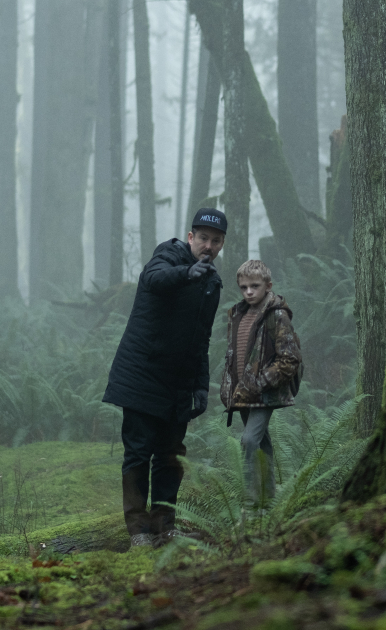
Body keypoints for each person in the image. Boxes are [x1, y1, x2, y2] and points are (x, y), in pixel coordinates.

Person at [103, 208, 227, 547]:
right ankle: (138, 530)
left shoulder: (212, 284)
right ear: (190, 238)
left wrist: (201, 385)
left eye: (215, 241)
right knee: (139, 451)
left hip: (178, 382)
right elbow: (156, 280)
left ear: (221, 245)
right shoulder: (167, 256)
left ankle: (164, 525)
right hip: (141, 373)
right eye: (202, 238)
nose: (208, 246)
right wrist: (188, 272)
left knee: (171, 453)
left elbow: (201, 338)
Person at [219, 260, 302, 506]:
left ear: (268, 285)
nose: (249, 292)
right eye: (243, 287)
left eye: (254, 286)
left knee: (248, 441)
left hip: (264, 391)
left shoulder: (277, 314)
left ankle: (250, 504)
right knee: (262, 443)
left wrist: (259, 383)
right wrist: (233, 387)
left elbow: (290, 358)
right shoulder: (236, 314)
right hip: (243, 392)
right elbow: (234, 355)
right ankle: (269, 502)